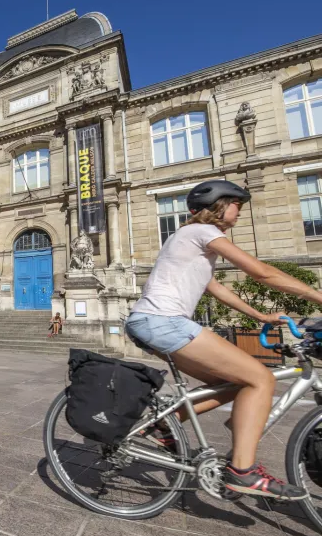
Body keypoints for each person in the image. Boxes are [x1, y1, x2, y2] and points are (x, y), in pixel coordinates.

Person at [125, 180, 322, 500]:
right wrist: (317, 296)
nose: (239, 212)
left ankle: (166, 424)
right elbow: (260, 273)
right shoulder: (202, 232)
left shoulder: (190, 240)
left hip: (153, 323)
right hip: (163, 322)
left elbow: (216, 289)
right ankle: (242, 473)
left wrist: (259, 316)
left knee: (233, 382)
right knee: (260, 378)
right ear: (219, 204)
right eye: (236, 205)